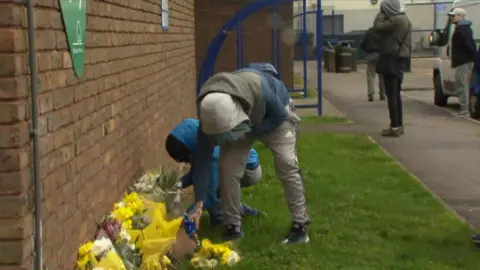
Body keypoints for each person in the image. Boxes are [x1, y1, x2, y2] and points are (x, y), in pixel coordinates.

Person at [188, 63, 310, 244]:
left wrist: (251, 132)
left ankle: (300, 226)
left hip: (275, 116)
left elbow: (279, 116)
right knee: (227, 167)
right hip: (242, 118)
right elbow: (203, 162)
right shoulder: (210, 115)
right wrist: (198, 204)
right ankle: (232, 226)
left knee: (286, 163)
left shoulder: (260, 88)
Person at [165, 118, 264, 226]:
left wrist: (183, 216)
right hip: (236, 166)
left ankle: (233, 216)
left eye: (183, 158)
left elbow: (209, 194)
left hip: (248, 171)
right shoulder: (195, 136)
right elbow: (197, 173)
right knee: (214, 197)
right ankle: (236, 211)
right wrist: (178, 184)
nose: (184, 162)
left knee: (214, 197)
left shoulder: (212, 155)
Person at [370, 0, 411, 137]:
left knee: (391, 95)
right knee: (396, 94)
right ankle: (399, 125)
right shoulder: (405, 19)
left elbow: (377, 27)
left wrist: (381, 14)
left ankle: (394, 126)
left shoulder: (395, 20)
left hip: (391, 59)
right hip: (400, 59)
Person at [447, 8, 476, 117]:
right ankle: (465, 108)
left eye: (454, 16)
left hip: (463, 61)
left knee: (461, 85)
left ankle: (464, 110)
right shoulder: (464, 28)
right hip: (465, 60)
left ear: (460, 16)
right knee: (463, 85)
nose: (452, 18)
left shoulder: (462, 29)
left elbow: (469, 45)